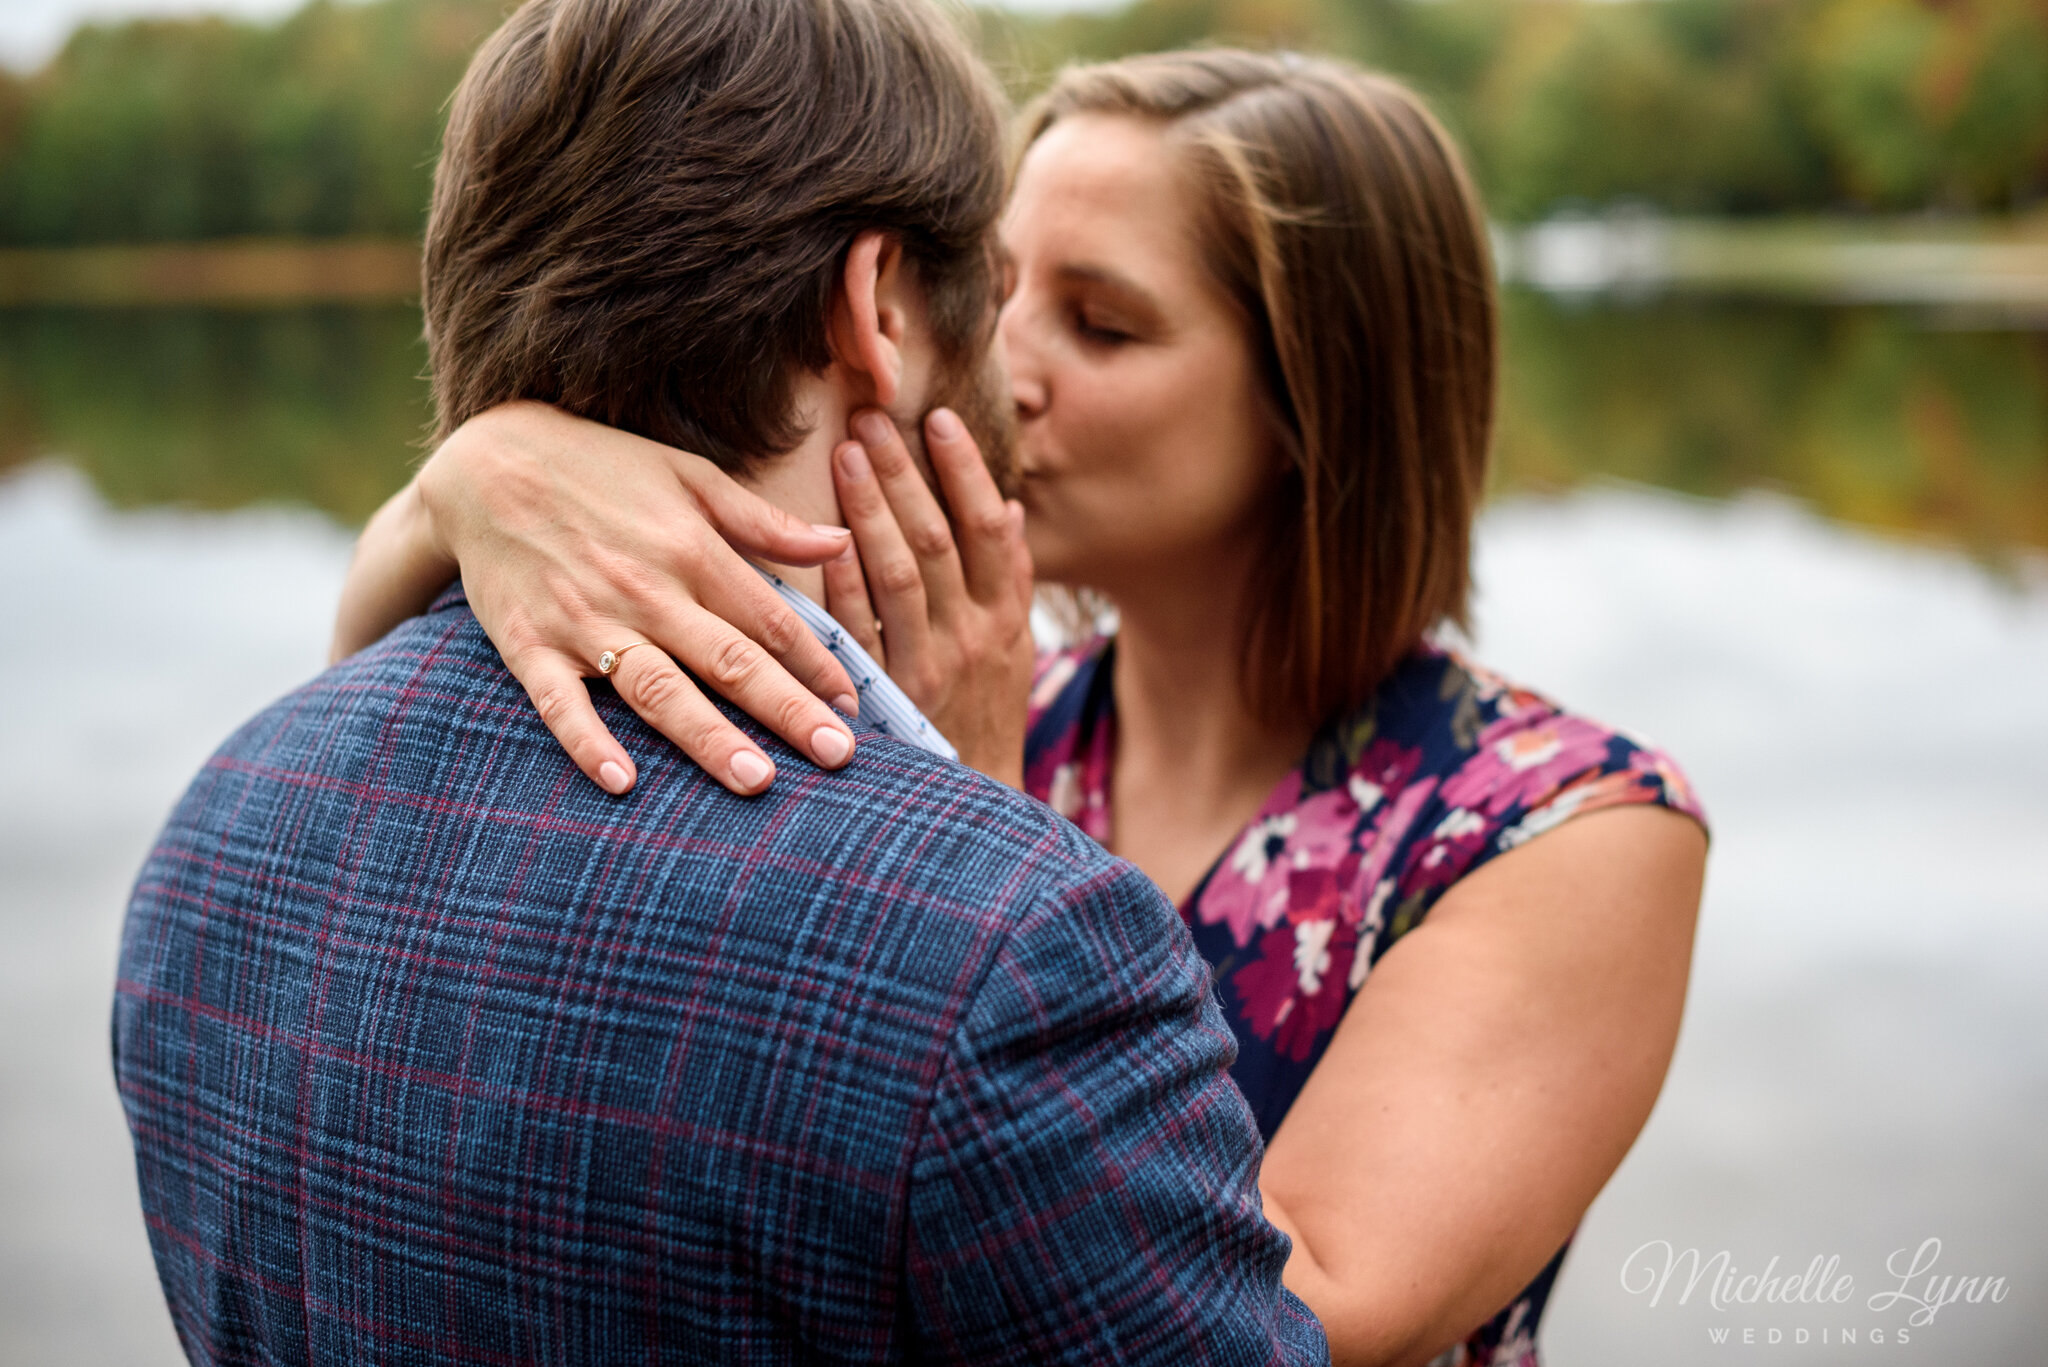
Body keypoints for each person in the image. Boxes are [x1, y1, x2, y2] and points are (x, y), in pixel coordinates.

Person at [335, 48, 1713, 1367]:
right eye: (996, 296)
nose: (1006, 371)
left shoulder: (1563, 827)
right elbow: (469, 878)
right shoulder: (967, 695)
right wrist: (465, 491)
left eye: (1103, 324)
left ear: (1319, 402)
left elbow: (1301, 1317)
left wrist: (971, 825)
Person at [110, 3, 1331, 1363]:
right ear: (879, 308)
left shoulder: (215, 833)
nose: (1019, 366)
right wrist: (979, 847)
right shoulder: (1008, 949)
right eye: (988, 287)